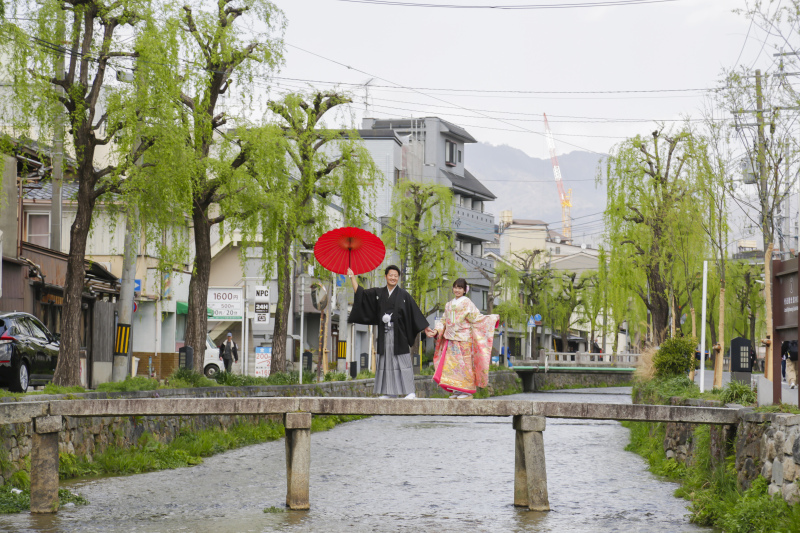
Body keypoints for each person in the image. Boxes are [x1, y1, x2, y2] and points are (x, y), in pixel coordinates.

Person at [347, 265, 432, 399]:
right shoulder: (379, 293)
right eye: (390, 275)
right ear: (386, 276)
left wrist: (425, 327)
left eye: (395, 276)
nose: (393, 278)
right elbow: (361, 294)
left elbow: (414, 311)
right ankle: (391, 392)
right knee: (386, 361)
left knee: (403, 361)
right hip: (384, 333)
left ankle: (410, 391)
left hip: (400, 334)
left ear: (398, 278)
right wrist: (352, 277)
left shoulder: (404, 295)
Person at [427, 278, 499, 399]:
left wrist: (492, 319)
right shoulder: (448, 304)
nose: (457, 290)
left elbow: (476, 318)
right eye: (455, 287)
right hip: (451, 339)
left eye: (460, 288)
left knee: (464, 365)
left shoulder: (467, 303)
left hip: (464, 339)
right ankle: (456, 389)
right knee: (452, 366)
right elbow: (444, 320)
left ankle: (466, 390)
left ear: (465, 290)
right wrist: (436, 330)